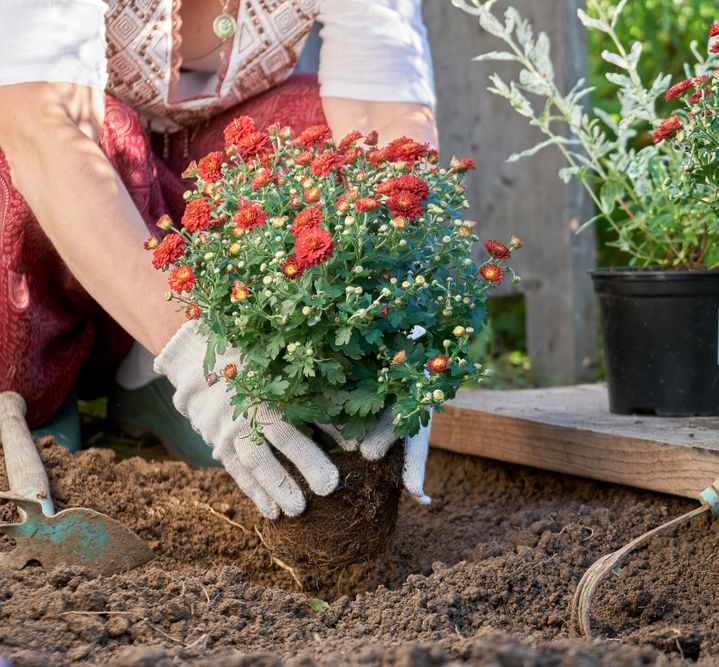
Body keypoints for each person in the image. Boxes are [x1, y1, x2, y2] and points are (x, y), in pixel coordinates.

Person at [0, 0, 437, 519]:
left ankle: (153, 376)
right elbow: (41, 123)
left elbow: (381, 120)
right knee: (59, 130)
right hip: (57, 238)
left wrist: (401, 334)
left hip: (191, 237)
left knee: (314, 133)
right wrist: (196, 361)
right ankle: (34, 390)